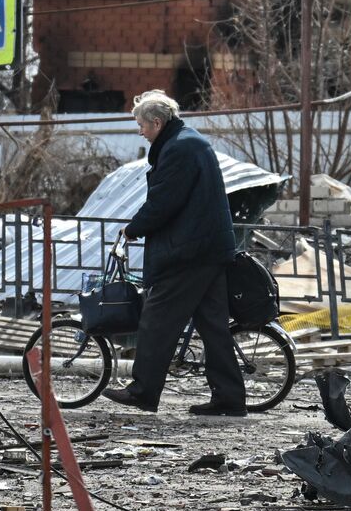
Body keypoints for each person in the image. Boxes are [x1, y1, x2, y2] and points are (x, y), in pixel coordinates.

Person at [104, 90, 246, 417]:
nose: (139, 131)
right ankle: (229, 397)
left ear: (156, 122)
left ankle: (143, 391)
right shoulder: (187, 140)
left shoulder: (179, 148)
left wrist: (133, 228)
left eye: (141, 124)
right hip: (207, 249)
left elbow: (164, 202)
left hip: (189, 252)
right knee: (213, 327)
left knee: (156, 319)